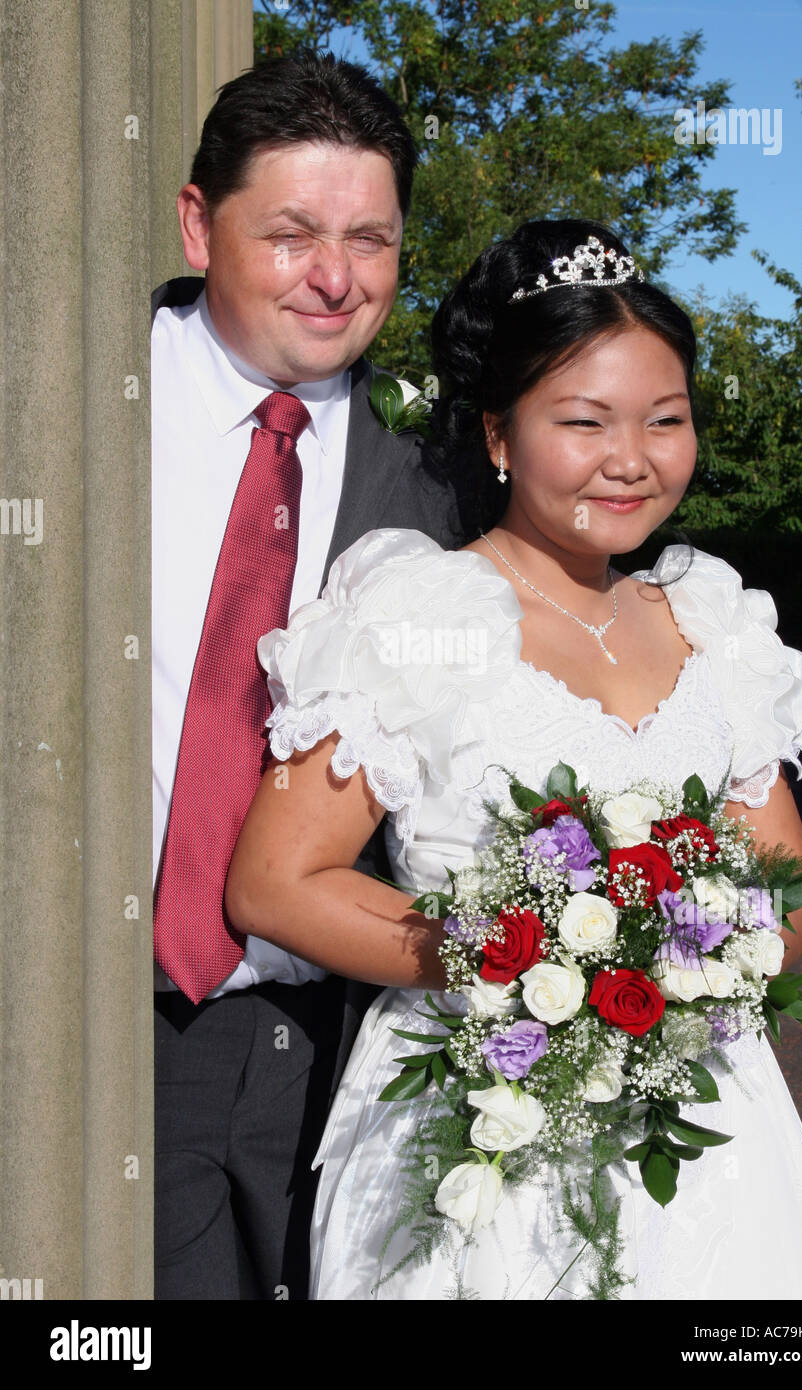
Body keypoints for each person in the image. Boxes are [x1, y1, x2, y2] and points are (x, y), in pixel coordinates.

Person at [225, 218, 802, 1300]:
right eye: (584, 420)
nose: (631, 459)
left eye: (665, 420)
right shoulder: (408, 612)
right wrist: (512, 965)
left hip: (699, 1110)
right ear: (499, 434)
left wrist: (700, 966)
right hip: (475, 1117)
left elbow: (785, 881)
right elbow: (274, 883)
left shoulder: (716, 625)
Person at [151, 50, 462, 1301]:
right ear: (196, 221)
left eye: (369, 239)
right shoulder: (54, 399)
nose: (336, 278)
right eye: (290, 234)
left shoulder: (443, 498)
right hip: (67, 1017)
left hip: (318, 1053)